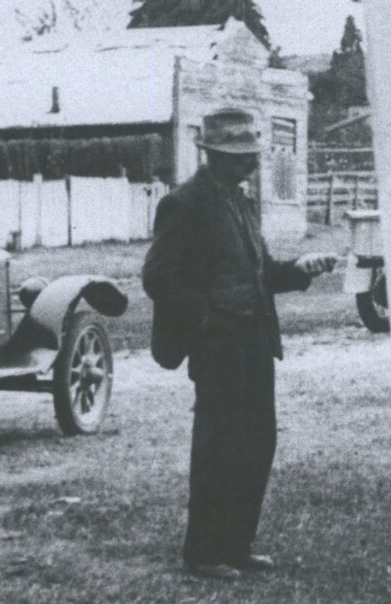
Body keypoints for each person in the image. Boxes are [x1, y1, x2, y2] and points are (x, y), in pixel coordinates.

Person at [141, 109, 338, 580]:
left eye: (252, 155)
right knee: (218, 447)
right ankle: (204, 553)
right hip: (218, 345)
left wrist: (300, 269)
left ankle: (236, 545)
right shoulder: (185, 204)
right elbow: (158, 278)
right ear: (215, 157)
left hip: (254, 340)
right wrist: (207, 319)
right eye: (240, 156)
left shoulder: (243, 205)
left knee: (256, 443)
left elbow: (262, 273)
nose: (251, 164)